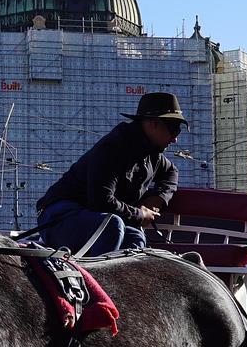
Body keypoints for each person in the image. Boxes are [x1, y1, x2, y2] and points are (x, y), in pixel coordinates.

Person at [36, 92, 185, 255]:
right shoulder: (113, 148)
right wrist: (139, 214)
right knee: (111, 226)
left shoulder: (154, 155)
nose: (175, 139)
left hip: (93, 217)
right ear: (152, 123)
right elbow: (101, 201)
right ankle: (94, 279)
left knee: (135, 238)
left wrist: (159, 199)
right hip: (59, 216)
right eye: (173, 129)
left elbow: (171, 172)